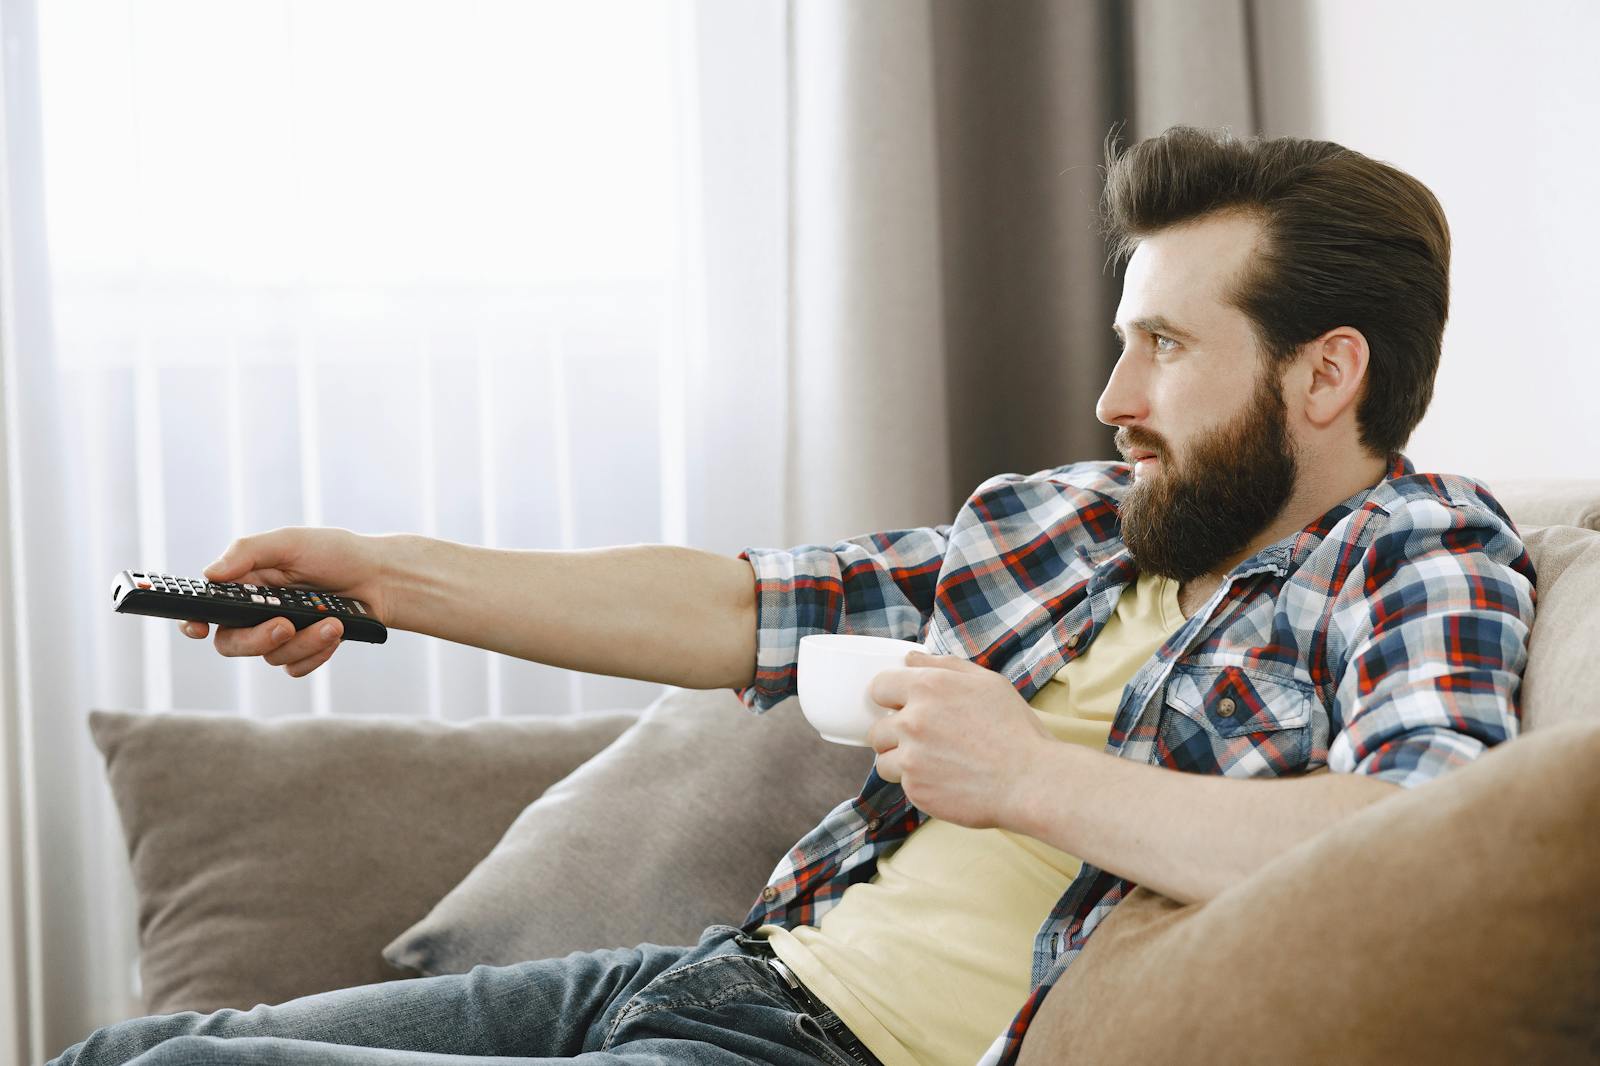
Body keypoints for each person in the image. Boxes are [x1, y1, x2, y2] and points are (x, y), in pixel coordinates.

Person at [49, 126, 1536, 1066]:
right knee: (134, 1051)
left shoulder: (1416, 552)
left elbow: (1397, 830)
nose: (1112, 393)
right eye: (1121, 341)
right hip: (724, 973)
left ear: (1326, 370)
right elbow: (734, 608)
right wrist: (382, 576)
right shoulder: (1078, 522)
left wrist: (1028, 777)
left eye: (1165, 347)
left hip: (839, 1052)